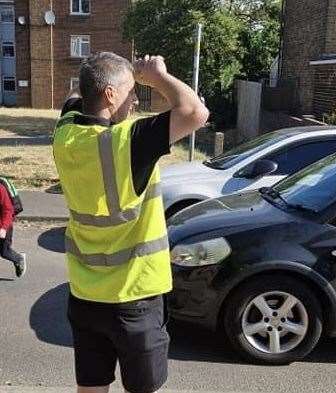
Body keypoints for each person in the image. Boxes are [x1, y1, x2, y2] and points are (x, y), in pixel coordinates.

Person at [52, 52, 209, 393]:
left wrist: (120, 73)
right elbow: (196, 112)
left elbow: (76, 97)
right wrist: (157, 75)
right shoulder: (128, 142)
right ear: (109, 94)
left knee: (91, 387)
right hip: (134, 299)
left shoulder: (65, 133)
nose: (136, 98)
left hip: (85, 297)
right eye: (131, 91)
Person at [0, 181, 26, 278]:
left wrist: (3, 228)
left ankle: (19, 259)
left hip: (4, 227)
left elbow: (8, 210)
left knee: (4, 252)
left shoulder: (0, 189)